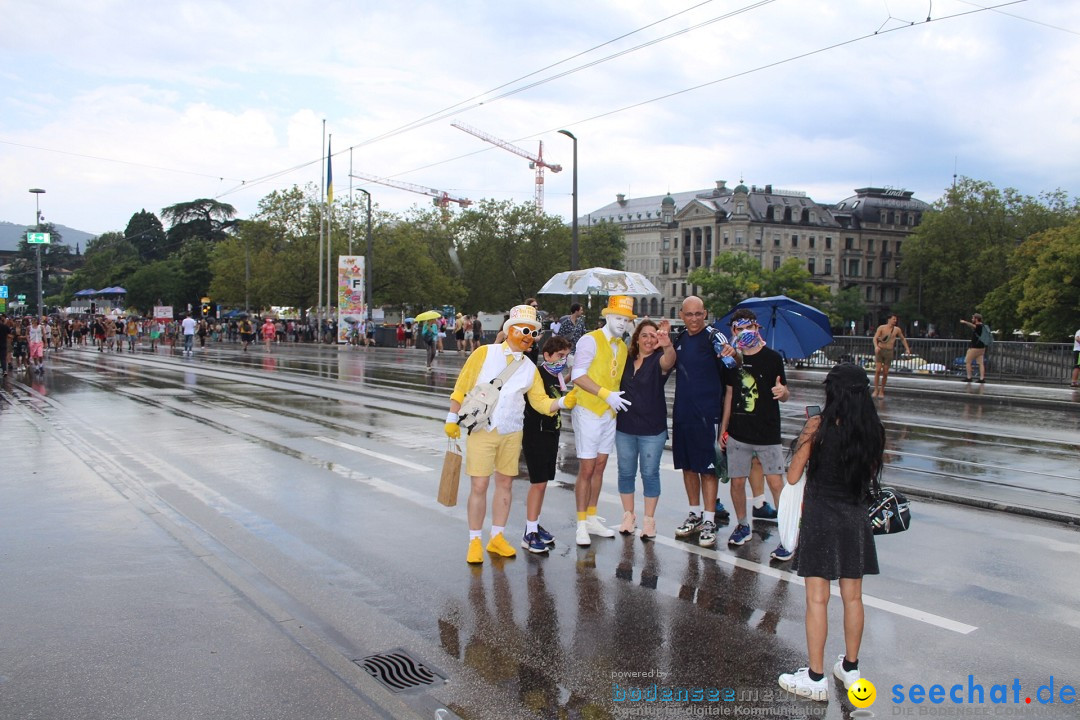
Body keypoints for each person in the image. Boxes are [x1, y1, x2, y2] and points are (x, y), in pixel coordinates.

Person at [777, 362, 884, 702]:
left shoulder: (817, 425)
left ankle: (816, 676)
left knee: (817, 599)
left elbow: (793, 476)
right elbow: (867, 476)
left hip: (821, 517)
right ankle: (851, 668)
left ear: (832, 391)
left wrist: (803, 448)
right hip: (855, 518)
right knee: (853, 598)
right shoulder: (872, 429)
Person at [444, 305, 572, 564]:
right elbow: (463, 384)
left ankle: (497, 537)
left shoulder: (529, 368)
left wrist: (563, 403)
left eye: (534, 333)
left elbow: (539, 402)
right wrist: (451, 416)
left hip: (512, 431)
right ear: (510, 330)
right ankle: (475, 541)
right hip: (482, 429)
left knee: (505, 485)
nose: (529, 337)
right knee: (479, 485)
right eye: (525, 330)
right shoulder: (484, 353)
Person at [720, 309, 792, 559]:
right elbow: (729, 394)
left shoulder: (772, 358)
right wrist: (724, 428)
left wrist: (783, 393)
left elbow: (784, 392)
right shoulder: (730, 359)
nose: (744, 333)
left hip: (768, 432)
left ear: (757, 327)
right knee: (737, 482)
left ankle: (789, 536)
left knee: (775, 483)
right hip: (739, 432)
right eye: (739, 329)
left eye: (748, 327)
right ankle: (742, 525)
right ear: (733, 331)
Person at [568, 295, 636, 547]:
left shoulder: (623, 346)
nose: (622, 323)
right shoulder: (590, 340)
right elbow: (577, 375)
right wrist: (605, 394)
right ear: (607, 316)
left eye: (626, 320)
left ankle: (593, 517)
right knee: (586, 468)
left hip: (609, 414)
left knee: (600, 466)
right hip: (588, 410)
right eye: (618, 318)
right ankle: (581, 523)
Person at [671, 296, 736, 547]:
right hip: (683, 413)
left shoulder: (715, 337)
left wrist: (735, 353)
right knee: (688, 466)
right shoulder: (679, 339)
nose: (694, 319)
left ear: (705, 314)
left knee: (708, 470)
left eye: (699, 314)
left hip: (708, 415)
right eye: (689, 314)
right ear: (681, 315)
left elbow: (733, 365)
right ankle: (694, 514)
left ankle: (709, 519)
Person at [615, 319, 676, 540]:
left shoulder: (659, 360)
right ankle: (628, 516)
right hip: (625, 427)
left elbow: (669, 361)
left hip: (652, 429)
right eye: (645, 335)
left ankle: (649, 520)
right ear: (637, 338)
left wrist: (667, 344)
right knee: (626, 472)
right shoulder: (627, 359)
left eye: (653, 335)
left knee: (649, 474)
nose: (649, 339)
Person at [520, 335, 573, 553]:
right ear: (547, 355)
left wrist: (574, 375)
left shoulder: (556, 374)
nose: (563, 360)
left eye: (566, 356)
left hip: (552, 432)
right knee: (538, 483)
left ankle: (534, 524)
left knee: (543, 483)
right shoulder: (537, 374)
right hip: (536, 433)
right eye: (560, 356)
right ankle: (529, 534)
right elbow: (542, 403)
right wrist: (564, 401)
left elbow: (562, 384)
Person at [872, 314, 911, 398]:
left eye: (896, 319)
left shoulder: (897, 329)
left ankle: (882, 390)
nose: (895, 321)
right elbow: (875, 338)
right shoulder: (881, 328)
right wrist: (876, 346)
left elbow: (902, 339)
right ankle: (876, 389)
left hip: (889, 351)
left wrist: (907, 349)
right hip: (880, 350)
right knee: (878, 370)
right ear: (889, 320)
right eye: (893, 319)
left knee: (885, 372)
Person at [959, 313, 988, 383]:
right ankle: (982, 378)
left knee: (968, 361)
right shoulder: (983, 326)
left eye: (973, 318)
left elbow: (973, 326)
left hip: (975, 348)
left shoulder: (978, 326)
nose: (972, 319)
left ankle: (969, 377)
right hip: (982, 348)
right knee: (981, 363)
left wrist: (965, 322)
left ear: (976, 319)